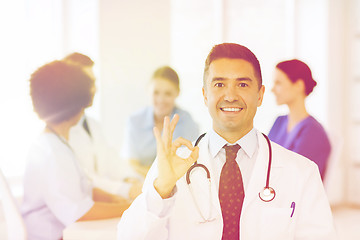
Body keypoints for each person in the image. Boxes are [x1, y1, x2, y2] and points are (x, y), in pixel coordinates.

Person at [117, 43, 337, 240]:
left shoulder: (302, 172)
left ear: (260, 95)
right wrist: (161, 189)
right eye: (219, 85)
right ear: (205, 95)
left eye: (242, 85)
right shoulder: (170, 168)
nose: (230, 96)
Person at [21, 61, 131, 240]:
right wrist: (129, 207)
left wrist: (113, 199)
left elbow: (82, 189)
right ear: (77, 104)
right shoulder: (53, 153)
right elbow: (79, 212)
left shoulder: (54, 143)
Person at [63, 52, 142, 199]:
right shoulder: (62, 132)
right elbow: (83, 179)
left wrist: (130, 178)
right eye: (88, 83)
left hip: (100, 203)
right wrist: (127, 189)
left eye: (94, 82)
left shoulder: (93, 125)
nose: (94, 89)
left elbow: (111, 160)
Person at [122, 66, 199, 177]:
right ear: (148, 90)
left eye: (167, 94)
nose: (161, 99)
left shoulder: (187, 122)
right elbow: (131, 165)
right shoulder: (134, 121)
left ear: (177, 93)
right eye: (156, 93)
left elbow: (189, 164)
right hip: (140, 183)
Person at [268, 59, 331, 180]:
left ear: (298, 86)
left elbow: (296, 177)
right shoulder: (279, 122)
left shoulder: (313, 132)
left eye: (278, 83)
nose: (272, 89)